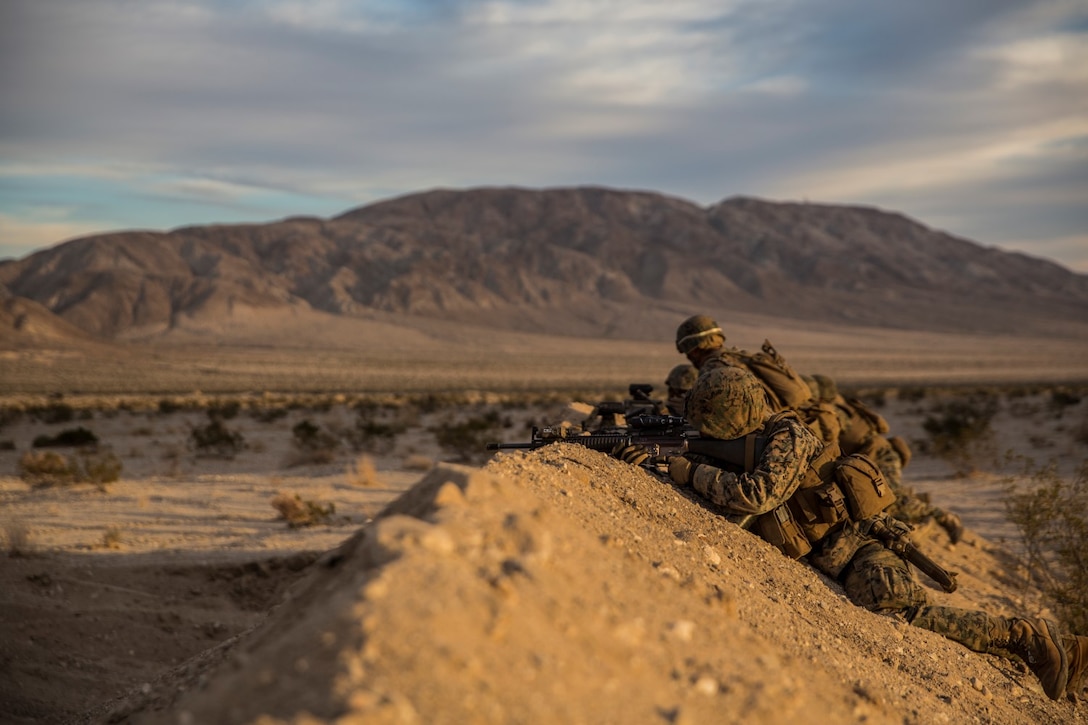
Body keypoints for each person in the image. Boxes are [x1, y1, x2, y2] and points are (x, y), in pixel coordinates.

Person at [624, 365, 1087, 702]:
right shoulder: (755, 439)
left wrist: (686, 473)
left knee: (910, 617)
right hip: (841, 554)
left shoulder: (788, 437)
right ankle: (1061, 650)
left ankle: (1025, 635)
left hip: (863, 552)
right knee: (910, 615)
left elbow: (758, 495)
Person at [809, 373, 965, 544]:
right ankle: (917, 500)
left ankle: (944, 517)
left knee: (893, 503)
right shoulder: (837, 407)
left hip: (881, 456)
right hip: (871, 457)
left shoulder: (833, 412)